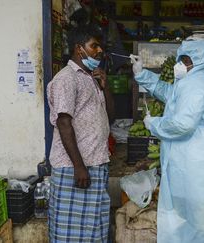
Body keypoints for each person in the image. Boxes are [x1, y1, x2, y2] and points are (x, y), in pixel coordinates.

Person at [132, 40, 204, 243]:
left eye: (186, 60)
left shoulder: (195, 84)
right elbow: (171, 95)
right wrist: (142, 74)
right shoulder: (195, 79)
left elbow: (183, 124)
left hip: (197, 161)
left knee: (200, 219)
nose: (179, 64)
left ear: (198, 62)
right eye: (181, 59)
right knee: (196, 216)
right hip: (195, 158)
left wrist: (154, 124)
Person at [46, 24, 114, 243]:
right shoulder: (66, 79)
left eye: (100, 46)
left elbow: (109, 116)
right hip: (74, 168)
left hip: (95, 163)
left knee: (93, 230)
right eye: (94, 46)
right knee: (69, 234)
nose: (99, 51)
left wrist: (105, 87)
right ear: (79, 48)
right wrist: (79, 166)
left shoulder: (90, 78)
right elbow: (64, 122)